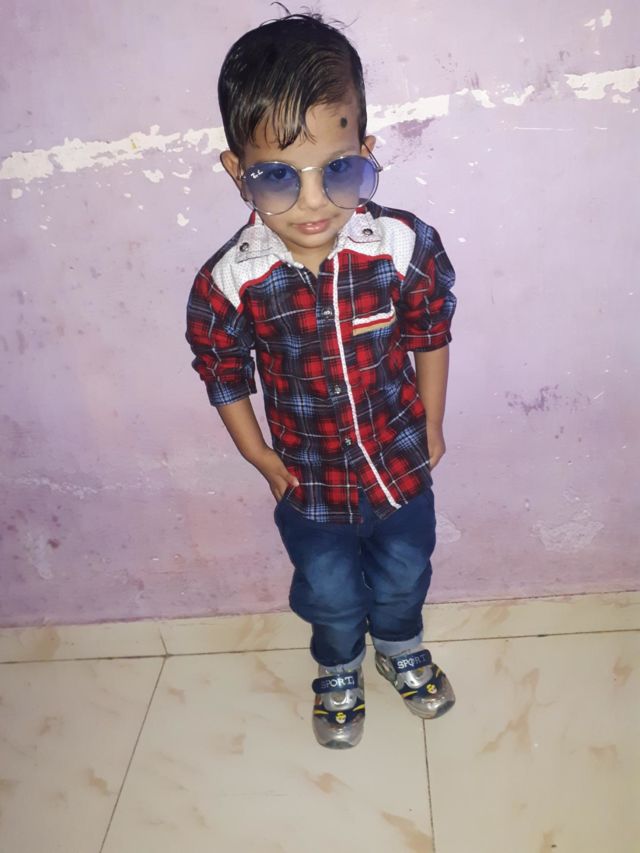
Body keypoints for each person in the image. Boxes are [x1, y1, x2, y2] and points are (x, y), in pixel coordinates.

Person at [185, 10, 457, 749]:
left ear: (366, 152)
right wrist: (259, 456)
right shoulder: (230, 281)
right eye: (278, 175)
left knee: (406, 572)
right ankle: (337, 666)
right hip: (308, 485)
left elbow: (431, 330)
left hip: (400, 467)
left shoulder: (402, 246)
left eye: (336, 169)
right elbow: (222, 369)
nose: (312, 201)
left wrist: (432, 423)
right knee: (328, 592)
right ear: (238, 171)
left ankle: (400, 646)